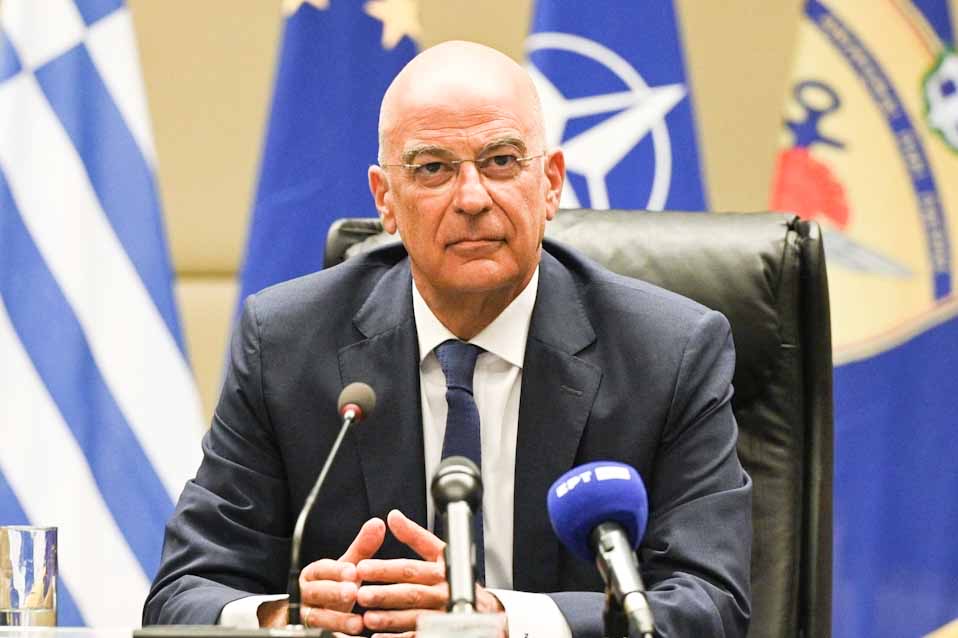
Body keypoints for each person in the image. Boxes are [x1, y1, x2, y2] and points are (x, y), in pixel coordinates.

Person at [144, 41, 751, 637]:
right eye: (433, 168)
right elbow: (183, 592)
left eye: (501, 161)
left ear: (551, 184)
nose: (472, 198)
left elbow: (709, 604)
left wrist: (509, 621)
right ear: (386, 200)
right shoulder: (285, 345)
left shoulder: (669, 352)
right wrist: (286, 615)